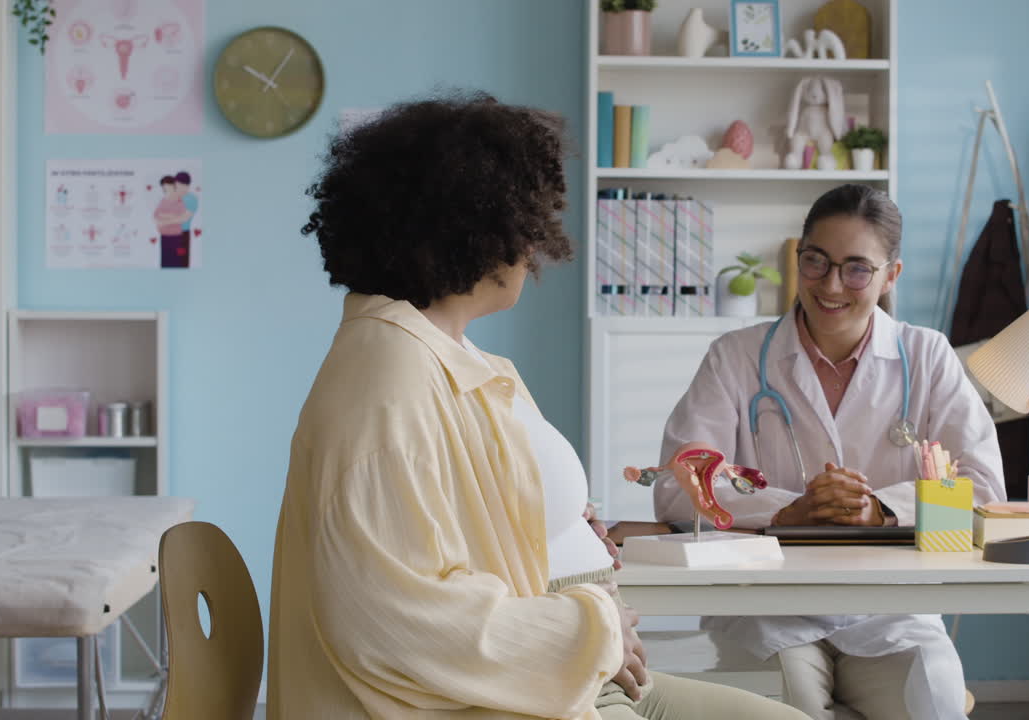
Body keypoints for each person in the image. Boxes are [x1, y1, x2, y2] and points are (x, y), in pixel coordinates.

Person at [268, 91, 810, 720]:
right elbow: (395, 620)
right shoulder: (387, 381)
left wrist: (564, 529)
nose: (535, 246)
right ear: (474, 230)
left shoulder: (452, 358)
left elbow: (475, 516)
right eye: (528, 222)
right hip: (513, 695)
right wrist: (595, 627)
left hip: (571, 677)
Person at [655, 184, 1006, 720]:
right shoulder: (736, 357)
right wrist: (786, 511)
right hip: (764, 607)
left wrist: (880, 509)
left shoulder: (927, 356)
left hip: (892, 608)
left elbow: (984, 490)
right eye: (816, 260)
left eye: (857, 268)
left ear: (891, 275)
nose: (832, 284)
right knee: (786, 706)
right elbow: (676, 486)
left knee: (932, 703)